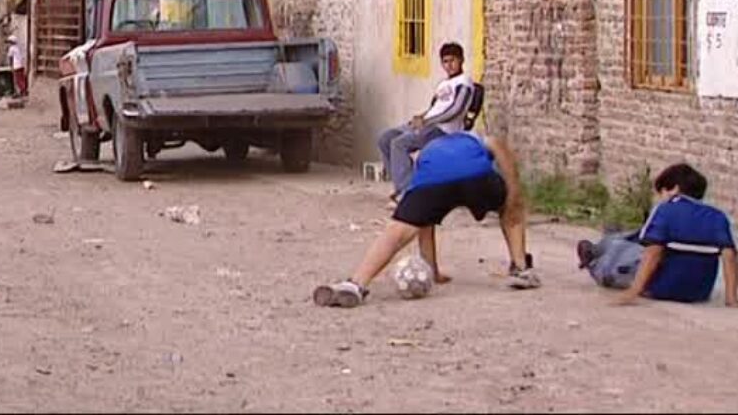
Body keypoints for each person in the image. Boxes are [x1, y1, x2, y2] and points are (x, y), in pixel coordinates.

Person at [315, 131, 540, 308]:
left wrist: (432, 269)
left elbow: (425, 222)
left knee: (396, 234)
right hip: (476, 174)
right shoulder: (472, 138)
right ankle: (521, 268)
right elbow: (497, 145)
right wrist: (514, 192)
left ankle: (356, 284)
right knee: (512, 211)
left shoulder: (425, 155)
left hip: (433, 181)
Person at [577, 163, 737, 306]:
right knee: (625, 239)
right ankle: (603, 244)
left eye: (662, 192)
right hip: (699, 292)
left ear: (674, 189)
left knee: (622, 251)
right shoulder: (718, 216)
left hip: (662, 288)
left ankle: (595, 262)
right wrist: (731, 298)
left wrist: (633, 292)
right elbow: (729, 256)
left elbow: (653, 252)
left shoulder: (664, 210)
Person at [377, 42, 475, 202]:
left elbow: (455, 111)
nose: (449, 65)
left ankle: (409, 191)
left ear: (461, 60)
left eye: (452, 61)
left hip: (442, 129)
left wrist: (427, 121)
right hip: (428, 124)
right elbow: (433, 108)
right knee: (385, 138)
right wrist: (419, 118)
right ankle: (402, 184)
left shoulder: (464, 82)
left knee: (399, 144)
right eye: (445, 61)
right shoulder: (443, 85)